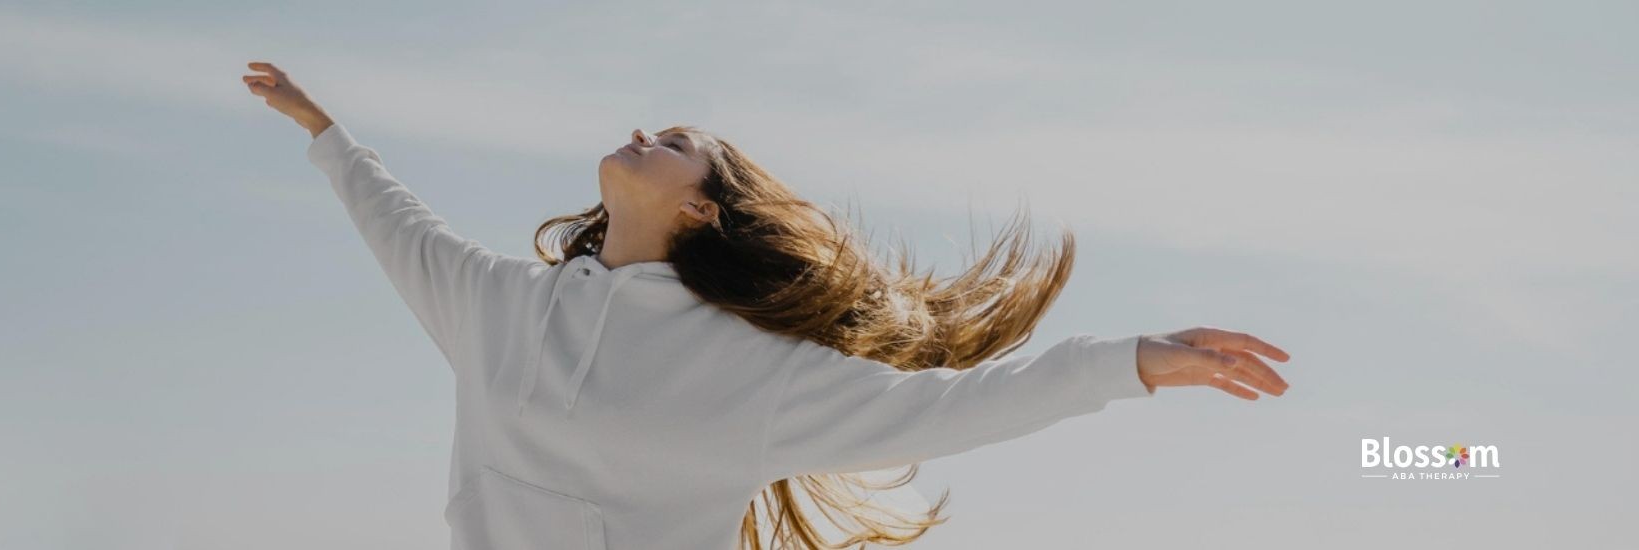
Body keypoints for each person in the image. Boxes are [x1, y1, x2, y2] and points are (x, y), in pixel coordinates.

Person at [242, 61, 1293, 550]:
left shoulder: (751, 374)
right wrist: (324, 131)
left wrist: (1133, 363)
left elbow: (954, 409)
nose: (647, 127)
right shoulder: (494, 305)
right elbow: (399, 224)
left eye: (677, 141)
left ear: (702, 211)